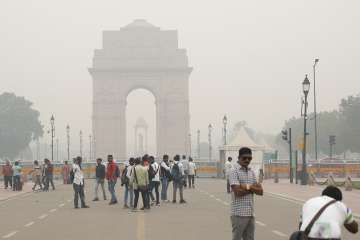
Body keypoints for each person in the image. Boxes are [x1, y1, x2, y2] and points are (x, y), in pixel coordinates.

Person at [230, 147, 263, 240]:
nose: (247, 160)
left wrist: (246, 186)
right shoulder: (233, 171)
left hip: (250, 213)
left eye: (249, 158)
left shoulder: (251, 171)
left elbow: (261, 191)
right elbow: (237, 192)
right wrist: (252, 188)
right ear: (239, 157)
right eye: (244, 158)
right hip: (238, 214)